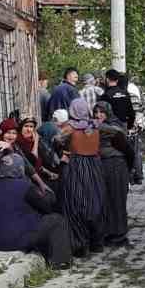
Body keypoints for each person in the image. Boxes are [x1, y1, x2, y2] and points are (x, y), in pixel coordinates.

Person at [0, 154, 72, 268]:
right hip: (14, 241)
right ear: (20, 168)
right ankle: (60, 261)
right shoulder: (25, 186)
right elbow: (46, 207)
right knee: (56, 220)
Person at [54, 100, 107, 256]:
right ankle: (96, 242)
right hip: (95, 167)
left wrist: (64, 151)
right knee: (95, 202)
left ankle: (79, 244)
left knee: (75, 204)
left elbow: (56, 141)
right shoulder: (96, 126)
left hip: (76, 167)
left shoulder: (69, 128)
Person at [93, 101, 134, 247]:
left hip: (117, 166)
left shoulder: (114, 128)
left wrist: (129, 171)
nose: (98, 115)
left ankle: (119, 235)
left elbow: (128, 151)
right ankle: (108, 232)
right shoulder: (94, 127)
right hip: (103, 166)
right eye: (96, 112)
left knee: (117, 200)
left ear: (108, 112)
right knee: (106, 201)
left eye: (101, 112)